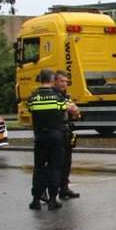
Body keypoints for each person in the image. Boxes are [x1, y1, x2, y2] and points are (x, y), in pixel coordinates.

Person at [26, 68, 69, 210]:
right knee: (55, 167)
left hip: (39, 137)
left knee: (39, 168)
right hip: (56, 136)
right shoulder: (57, 97)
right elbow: (64, 109)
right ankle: (52, 199)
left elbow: (31, 109)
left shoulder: (33, 97)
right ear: (52, 80)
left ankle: (36, 200)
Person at [53, 70, 82, 199]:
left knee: (67, 162)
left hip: (67, 132)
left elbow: (76, 114)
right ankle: (53, 191)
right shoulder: (53, 96)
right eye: (61, 81)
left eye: (66, 81)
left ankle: (64, 188)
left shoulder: (66, 96)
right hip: (56, 132)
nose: (64, 84)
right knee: (56, 164)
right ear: (55, 81)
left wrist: (76, 113)